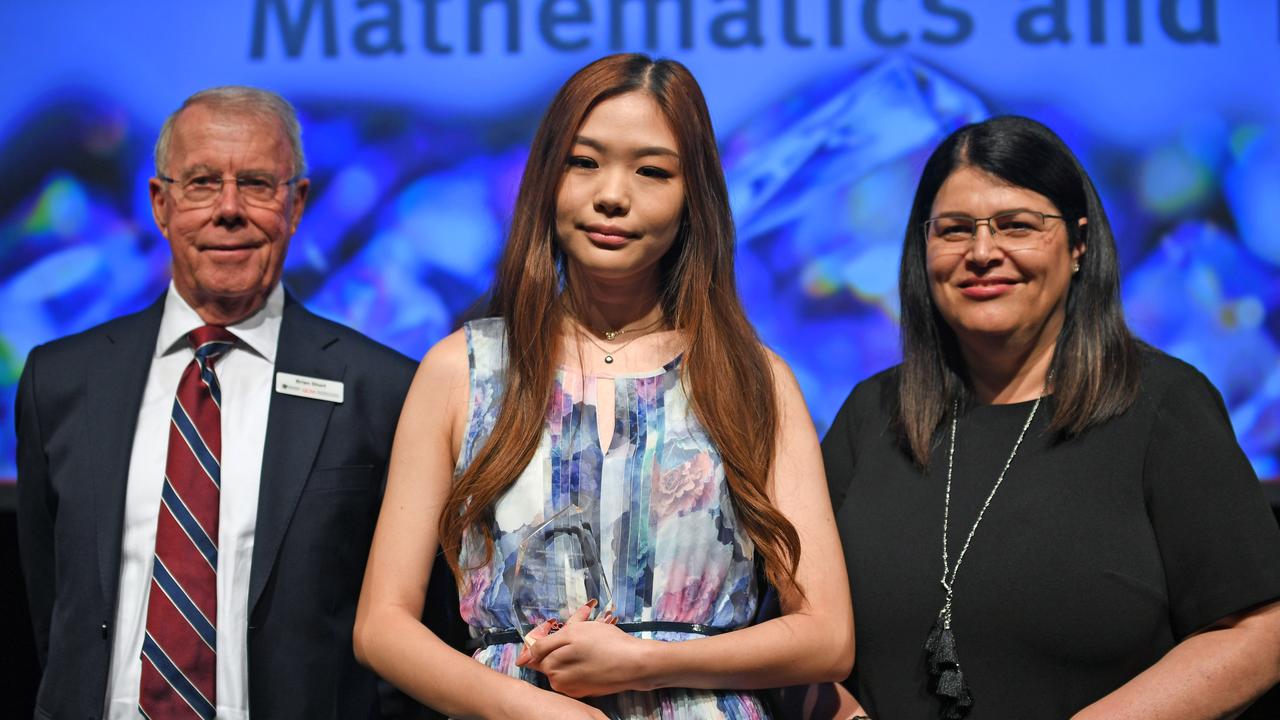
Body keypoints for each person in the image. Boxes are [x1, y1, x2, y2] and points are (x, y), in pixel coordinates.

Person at [354, 53, 853, 719]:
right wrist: (529, 709)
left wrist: (648, 661)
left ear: (693, 195)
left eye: (652, 171)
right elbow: (381, 625)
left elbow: (826, 636)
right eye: (584, 162)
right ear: (546, 179)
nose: (612, 194)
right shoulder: (461, 370)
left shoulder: (751, 379)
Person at [822, 115, 1280, 719]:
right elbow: (789, 622)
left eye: (1017, 226)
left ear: (1079, 244)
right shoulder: (870, 415)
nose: (983, 253)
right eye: (954, 230)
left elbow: (1260, 628)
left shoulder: (1164, 405)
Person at [15, 86, 418, 720]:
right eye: (202, 182)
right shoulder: (61, 381)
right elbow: (52, 608)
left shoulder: (383, 389)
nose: (228, 210)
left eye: (257, 184)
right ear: (160, 203)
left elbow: (413, 630)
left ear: (296, 204)